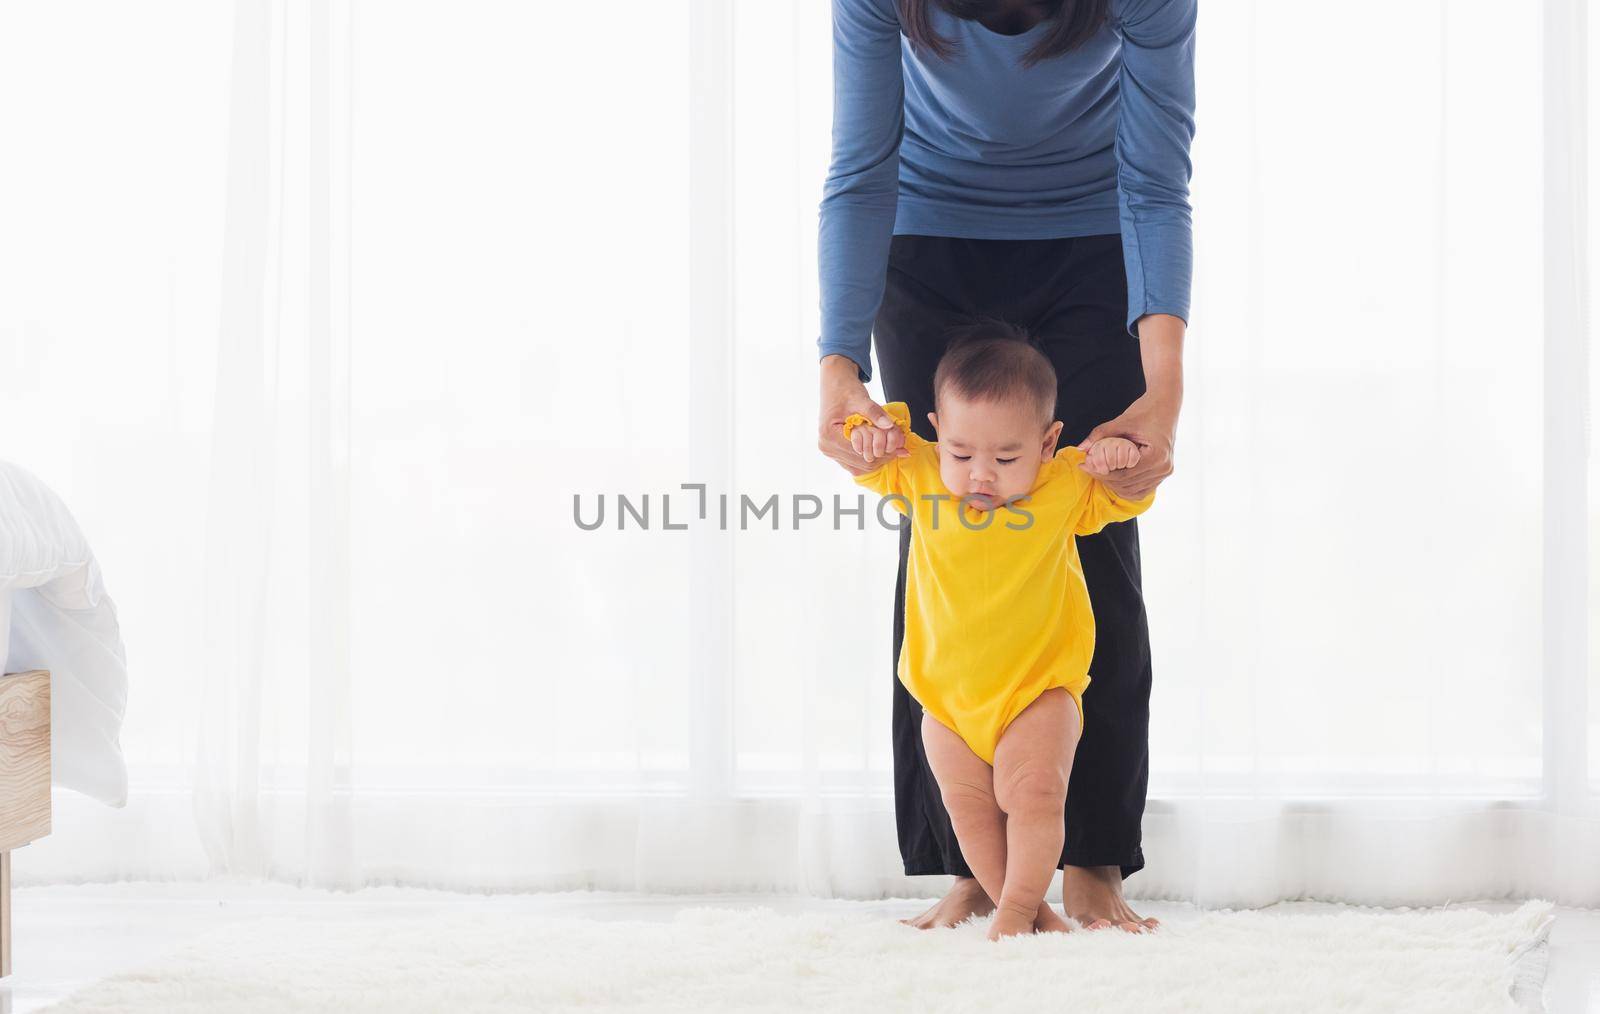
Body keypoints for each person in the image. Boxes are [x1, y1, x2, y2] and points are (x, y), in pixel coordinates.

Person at [815, 0, 1194, 933]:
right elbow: (861, 172)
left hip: (1094, 235)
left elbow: (1154, 182)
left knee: (1094, 539)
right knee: (945, 536)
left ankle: (1094, 858)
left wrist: (1164, 389)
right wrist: (838, 367)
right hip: (927, 234)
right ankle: (972, 868)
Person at [840, 324, 1153, 939]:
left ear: (1048, 442)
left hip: (1037, 691)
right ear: (938, 433)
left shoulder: (1064, 484)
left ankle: (1013, 915)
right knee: (971, 813)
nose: (980, 474)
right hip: (947, 700)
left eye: (1006, 459)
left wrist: (1120, 458)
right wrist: (870, 433)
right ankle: (1030, 908)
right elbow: (867, 447)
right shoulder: (921, 474)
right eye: (962, 453)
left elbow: (1126, 494)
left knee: (1036, 795)